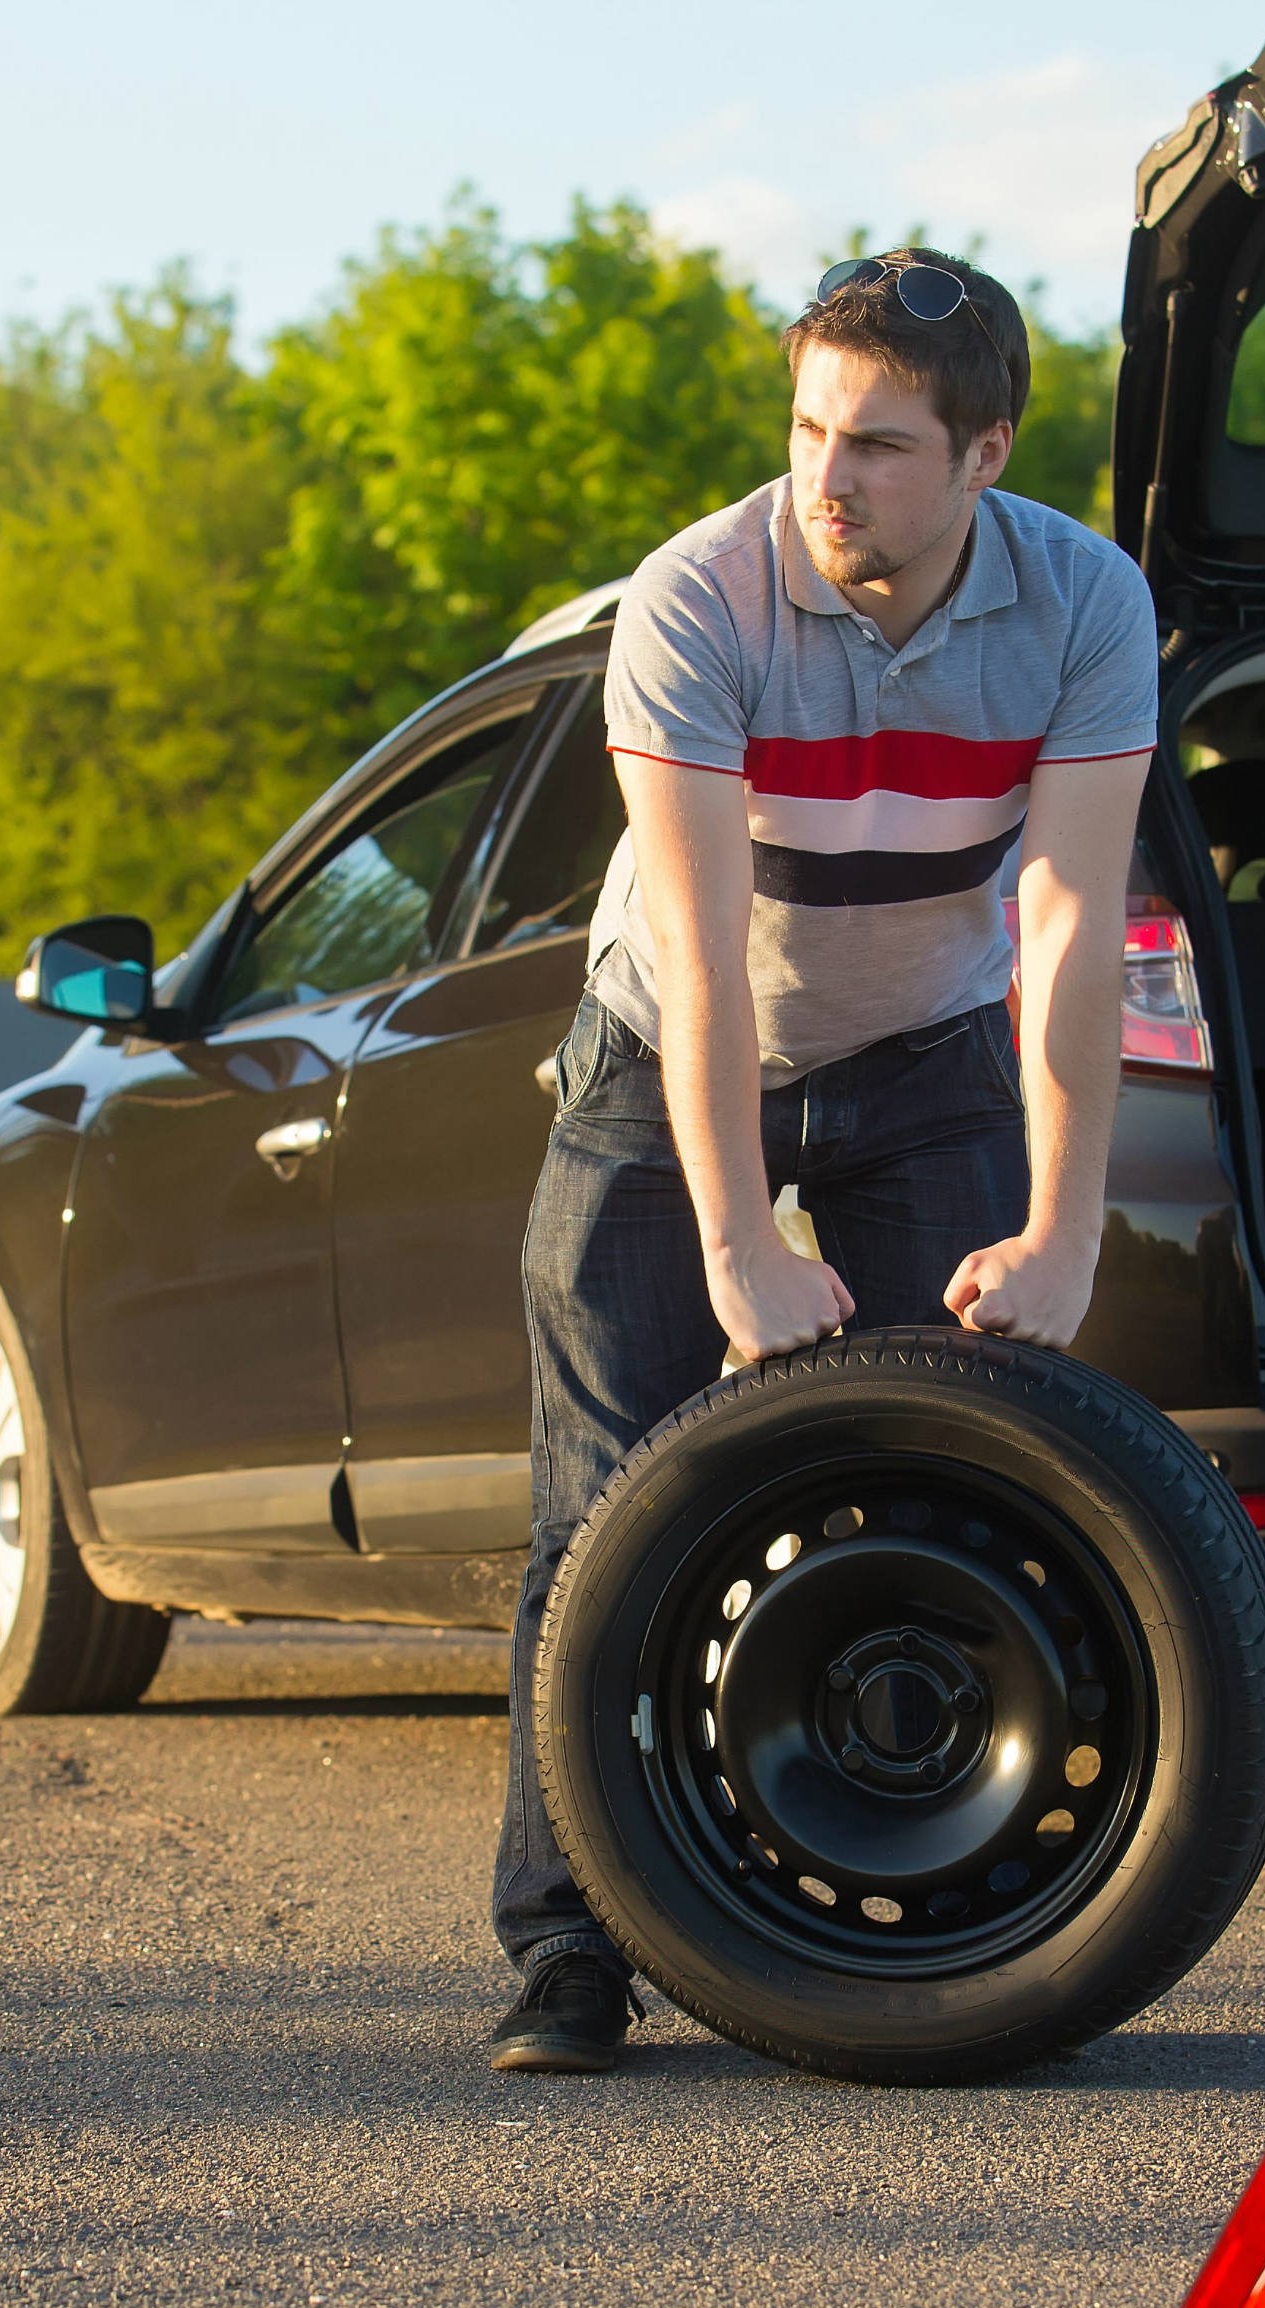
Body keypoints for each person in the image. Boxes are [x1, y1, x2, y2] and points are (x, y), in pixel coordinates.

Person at [486, 250, 1160, 2074]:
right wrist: (736, 1240)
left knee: (961, 1472)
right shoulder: (700, 596)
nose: (826, 475)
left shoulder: (1087, 604)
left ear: (986, 452)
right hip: (667, 1049)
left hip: (927, 1047)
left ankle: (933, 1921)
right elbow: (706, 950)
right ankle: (567, 1952)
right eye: (807, 426)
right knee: (604, 1498)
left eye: (876, 441)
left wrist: (1064, 1228)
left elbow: (1078, 924)